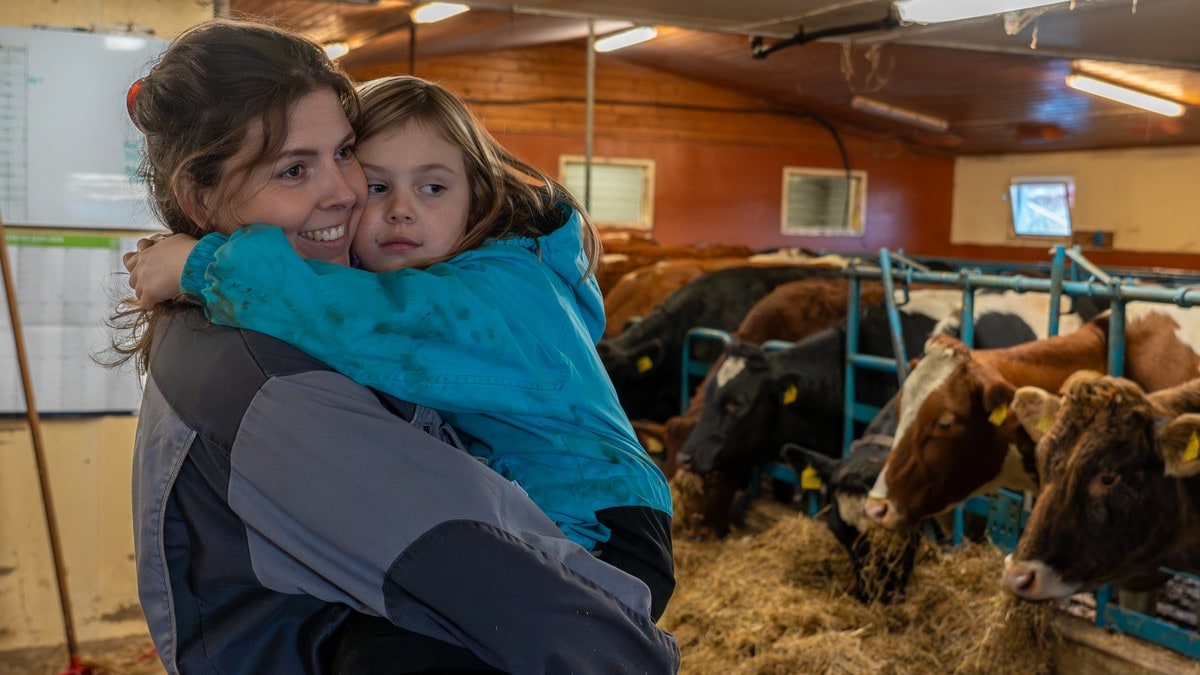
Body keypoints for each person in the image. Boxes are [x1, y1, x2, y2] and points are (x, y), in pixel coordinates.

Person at [112, 18, 679, 675]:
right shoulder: (269, 378)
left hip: (597, 519)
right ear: (200, 194)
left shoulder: (481, 296)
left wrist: (201, 265)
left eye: (344, 153)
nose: (356, 195)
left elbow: (363, 320)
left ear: (478, 195)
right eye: (298, 168)